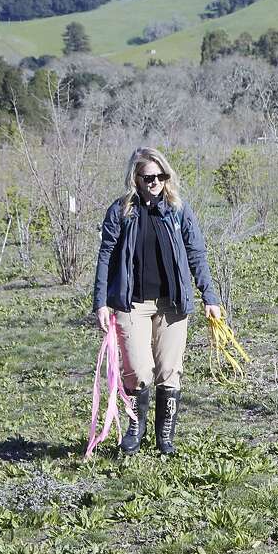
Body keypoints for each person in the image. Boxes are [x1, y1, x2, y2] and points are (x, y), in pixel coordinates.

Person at [92, 147, 221, 455]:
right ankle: (136, 427)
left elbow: (196, 254)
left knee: (169, 370)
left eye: (160, 176)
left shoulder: (178, 210)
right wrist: (100, 301)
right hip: (131, 304)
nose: (154, 182)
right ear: (135, 178)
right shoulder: (120, 211)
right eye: (148, 177)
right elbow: (105, 256)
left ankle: (165, 438)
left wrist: (210, 297)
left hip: (171, 304)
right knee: (137, 369)